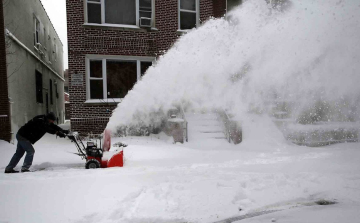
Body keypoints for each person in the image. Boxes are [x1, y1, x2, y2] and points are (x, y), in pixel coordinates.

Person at [4, 112, 69, 173]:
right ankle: (25, 168)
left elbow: (53, 126)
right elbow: (47, 129)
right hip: (23, 136)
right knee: (30, 151)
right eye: (52, 120)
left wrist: (62, 131)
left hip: (22, 135)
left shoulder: (45, 120)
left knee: (19, 153)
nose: (52, 121)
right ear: (48, 118)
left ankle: (9, 169)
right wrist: (57, 133)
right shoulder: (39, 121)